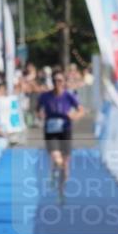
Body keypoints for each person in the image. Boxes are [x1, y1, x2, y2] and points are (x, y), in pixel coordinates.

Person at [36, 69, 84, 202]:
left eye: (60, 80)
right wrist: (40, 116)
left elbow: (81, 110)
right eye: (55, 80)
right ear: (52, 82)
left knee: (65, 164)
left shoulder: (69, 96)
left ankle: (61, 192)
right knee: (57, 159)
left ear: (64, 82)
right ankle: (54, 171)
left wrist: (74, 116)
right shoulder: (45, 96)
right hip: (51, 131)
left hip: (65, 130)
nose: (57, 83)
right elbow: (37, 109)